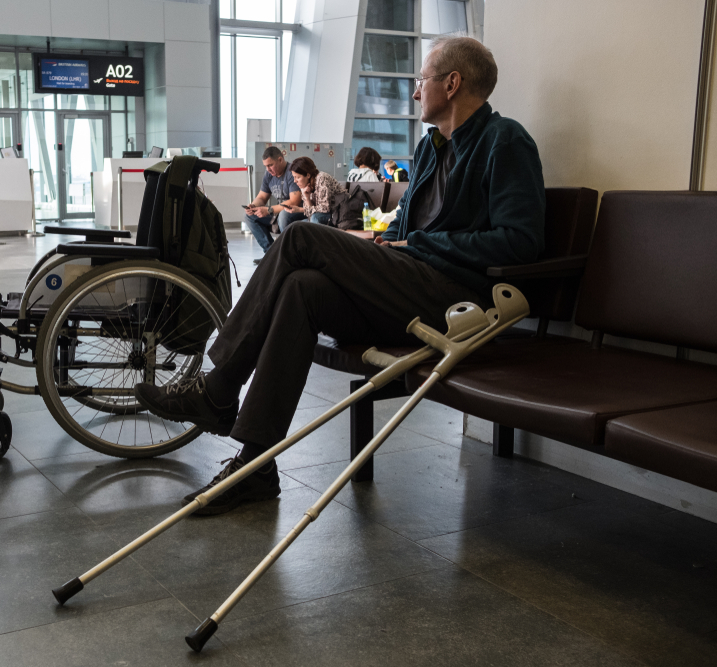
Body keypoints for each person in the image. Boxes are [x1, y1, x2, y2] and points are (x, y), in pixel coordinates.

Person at [134, 34, 545, 516]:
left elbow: (521, 242)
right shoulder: (432, 148)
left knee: (303, 236)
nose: (415, 92)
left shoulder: (506, 141)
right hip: (407, 281)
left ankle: (218, 388)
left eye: (422, 80)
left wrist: (416, 243)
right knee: (302, 287)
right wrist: (385, 239)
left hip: (457, 302)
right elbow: (409, 225)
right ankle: (255, 465)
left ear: (452, 83)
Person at [244, 146, 306, 264]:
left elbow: (294, 201)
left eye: (270, 165)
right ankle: (271, 255)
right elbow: (262, 197)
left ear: (280, 160)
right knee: (249, 216)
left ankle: (287, 257)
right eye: (266, 166)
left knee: (284, 214)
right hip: (278, 212)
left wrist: (269, 210)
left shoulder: (292, 172)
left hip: (297, 212)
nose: (268, 169)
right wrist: (253, 206)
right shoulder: (269, 175)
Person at [282, 156, 347, 226]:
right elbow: (310, 212)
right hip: (320, 215)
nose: (295, 181)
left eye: (298, 177)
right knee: (290, 220)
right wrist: (307, 198)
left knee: (315, 218)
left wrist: (299, 209)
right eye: (294, 177)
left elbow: (325, 208)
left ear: (308, 175)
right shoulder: (305, 186)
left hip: (336, 214)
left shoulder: (322, 179)